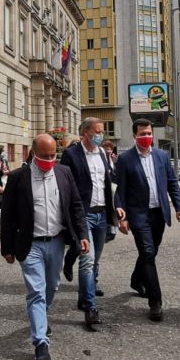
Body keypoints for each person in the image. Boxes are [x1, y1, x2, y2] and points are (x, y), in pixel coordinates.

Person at [0, 134, 89, 360]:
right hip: (30, 245)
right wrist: (7, 248)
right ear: (33, 153)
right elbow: (7, 214)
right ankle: (40, 343)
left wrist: (82, 235)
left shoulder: (63, 173)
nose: (50, 160)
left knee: (52, 286)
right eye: (45, 156)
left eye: (53, 155)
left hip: (57, 241)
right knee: (36, 292)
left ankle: (41, 316)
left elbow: (75, 206)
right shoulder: (19, 177)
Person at [114, 119, 180, 322]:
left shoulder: (162, 156)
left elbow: (172, 183)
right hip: (138, 214)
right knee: (147, 252)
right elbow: (118, 189)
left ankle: (137, 280)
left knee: (150, 252)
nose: (146, 137)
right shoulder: (125, 159)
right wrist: (122, 217)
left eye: (149, 133)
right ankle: (155, 302)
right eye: (142, 134)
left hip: (159, 213)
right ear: (135, 136)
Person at [59, 117, 114, 328]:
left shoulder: (102, 153)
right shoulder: (71, 154)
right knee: (88, 260)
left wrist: (115, 205)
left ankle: (83, 298)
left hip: (101, 214)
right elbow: (64, 185)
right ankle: (91, 308)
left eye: (102, 131)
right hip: (83, 214)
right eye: (96, 131)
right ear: (85, 133)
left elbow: (108, 182)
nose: (100, 134)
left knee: (95, 260)